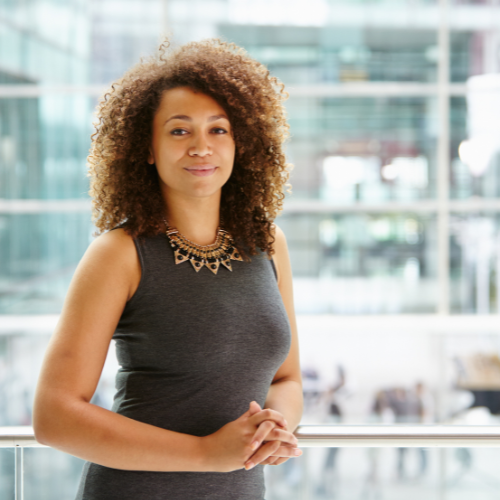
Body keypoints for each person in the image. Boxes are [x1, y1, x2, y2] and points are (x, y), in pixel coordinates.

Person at [32, 38, 303, 499]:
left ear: (243, 145)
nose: (202, 146)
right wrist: (204, 453)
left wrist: (273, 428)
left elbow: (287, 379)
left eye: (219, 130)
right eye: (180, 131)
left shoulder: (268, 244)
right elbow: (54, 416)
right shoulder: (119, 253)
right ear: (148, 149)